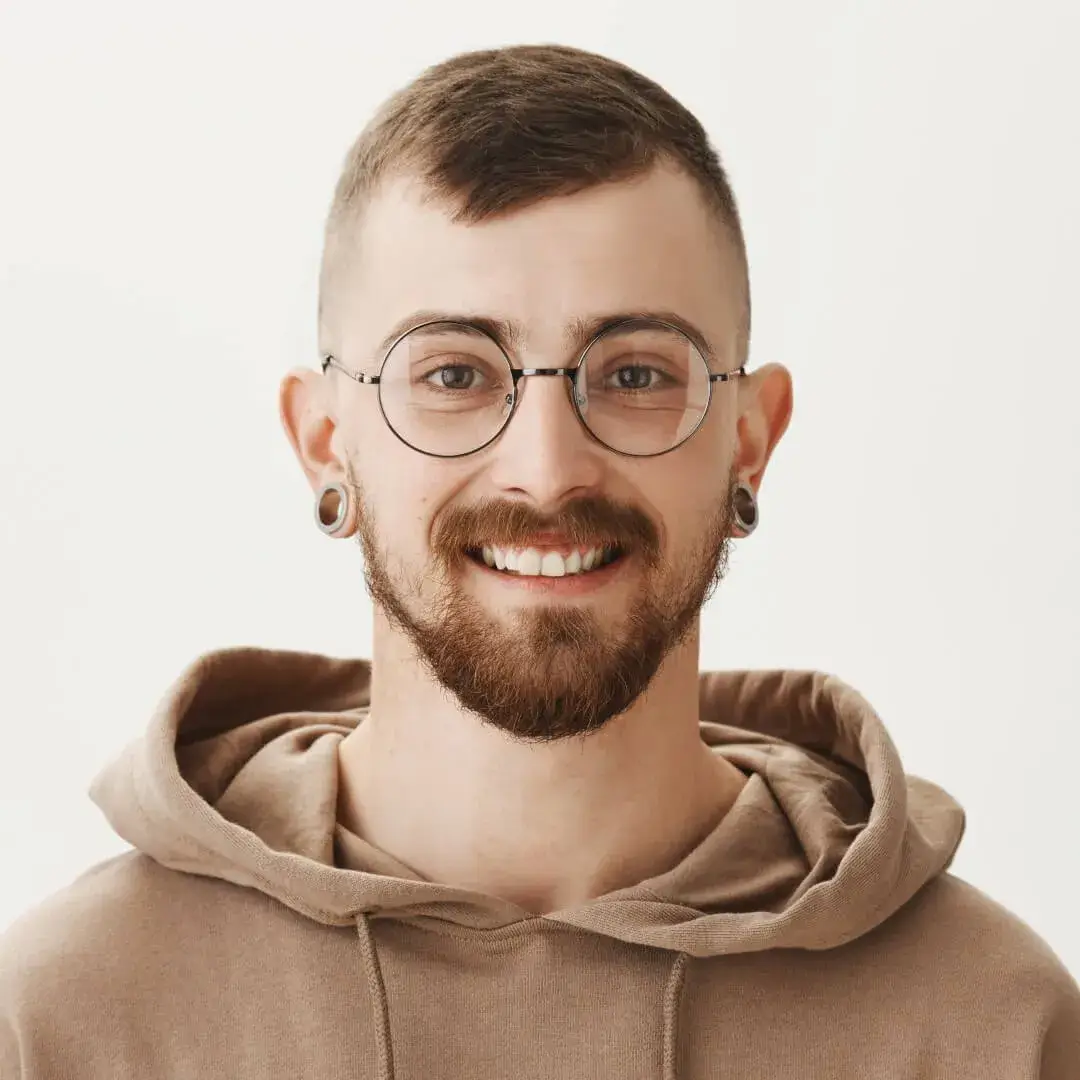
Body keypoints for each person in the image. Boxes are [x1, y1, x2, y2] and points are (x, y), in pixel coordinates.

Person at [2, 41, 1077, 1080]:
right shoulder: (59, 1023)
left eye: (639, 374)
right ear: (326, 440)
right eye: (457, 374)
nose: (548, 470)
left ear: (751, 435)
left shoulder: (996, 1027)